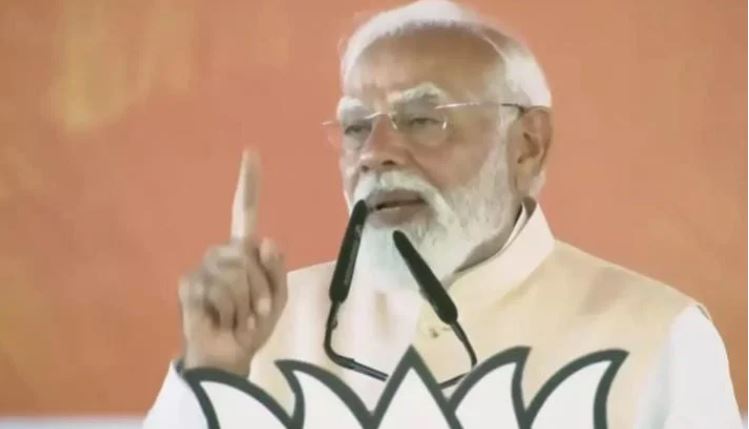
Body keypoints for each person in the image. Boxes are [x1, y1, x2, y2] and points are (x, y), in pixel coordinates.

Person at [144, 1, 742, 427]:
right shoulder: (265, 329)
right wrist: (212, 373)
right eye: (356, 127)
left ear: (527, 144)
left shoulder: (656, 336)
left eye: (423, 119)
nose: (375, 153)